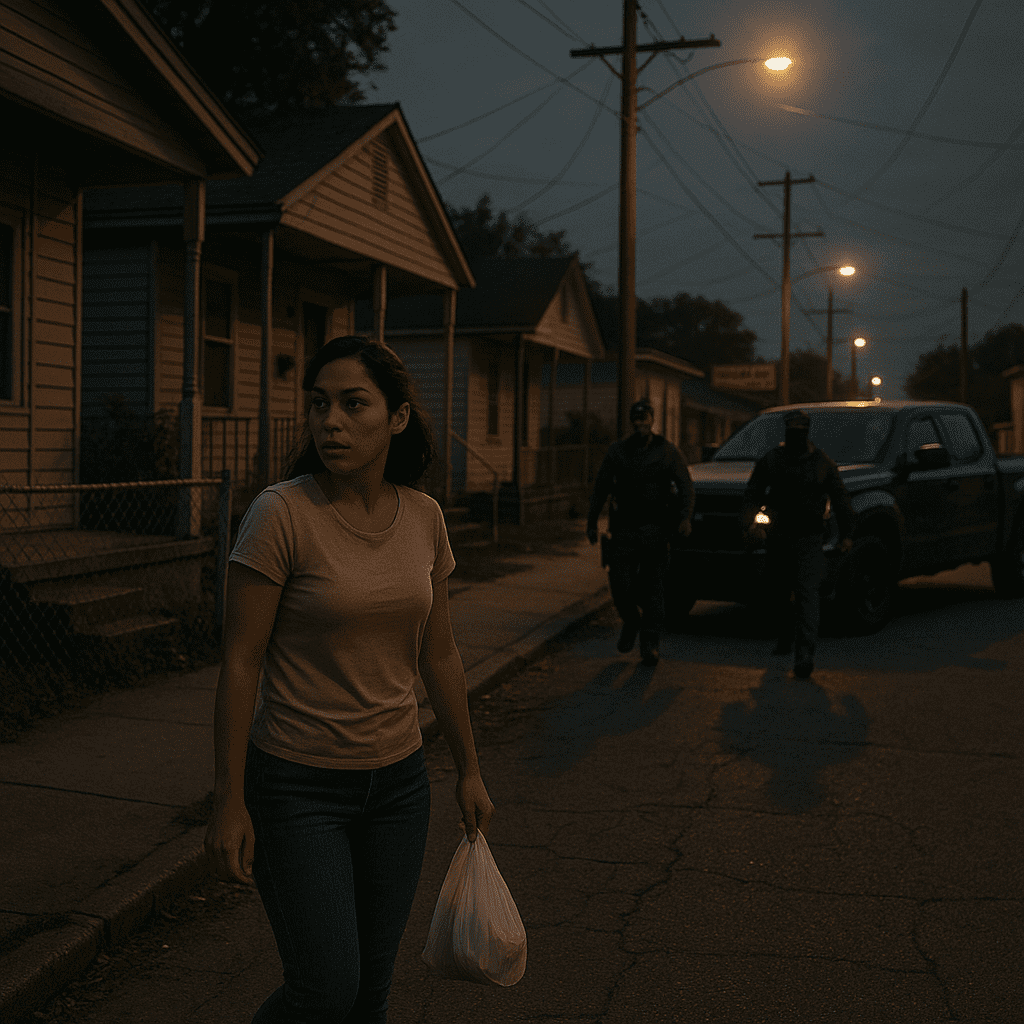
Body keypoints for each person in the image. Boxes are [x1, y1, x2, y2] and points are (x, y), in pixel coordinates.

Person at [204, 335, 494, 1023]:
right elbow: (241, 659)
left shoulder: (424, 517)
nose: (329, 421)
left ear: (396, 418)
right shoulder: (281, 514)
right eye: (318, 405)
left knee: (370, 991)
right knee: (325, 989)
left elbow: (441, 653)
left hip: (398, 786)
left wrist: (470, 769)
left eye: (352, 404)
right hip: (298, 788)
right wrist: (229, 800)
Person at [741, 408, 855, 679]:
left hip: (809, 538)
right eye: (793, 429)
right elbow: (752, 494)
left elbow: (841, 500)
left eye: (800, 429)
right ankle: (785, 636)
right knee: (778, 592)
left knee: (807, 596)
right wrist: (751, 524)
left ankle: (805, 654)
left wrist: (848, 534)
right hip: (778, 537)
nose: (796, 434)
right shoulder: (772, 460)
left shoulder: (821, 463)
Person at [586, 397, 695, 667]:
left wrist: (684, 518)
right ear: (631, 422)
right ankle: (632, 622)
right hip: (623, 530)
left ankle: (650, 643)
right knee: (620, 587)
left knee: (653, 590)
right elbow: (601, 488)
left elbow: (686, 487)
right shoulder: (618, 451)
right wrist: (591, 522)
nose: (640, 425)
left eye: (644, 419)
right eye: (636, 420)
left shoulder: (667, 451)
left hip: (655, 531)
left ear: (652, 421)